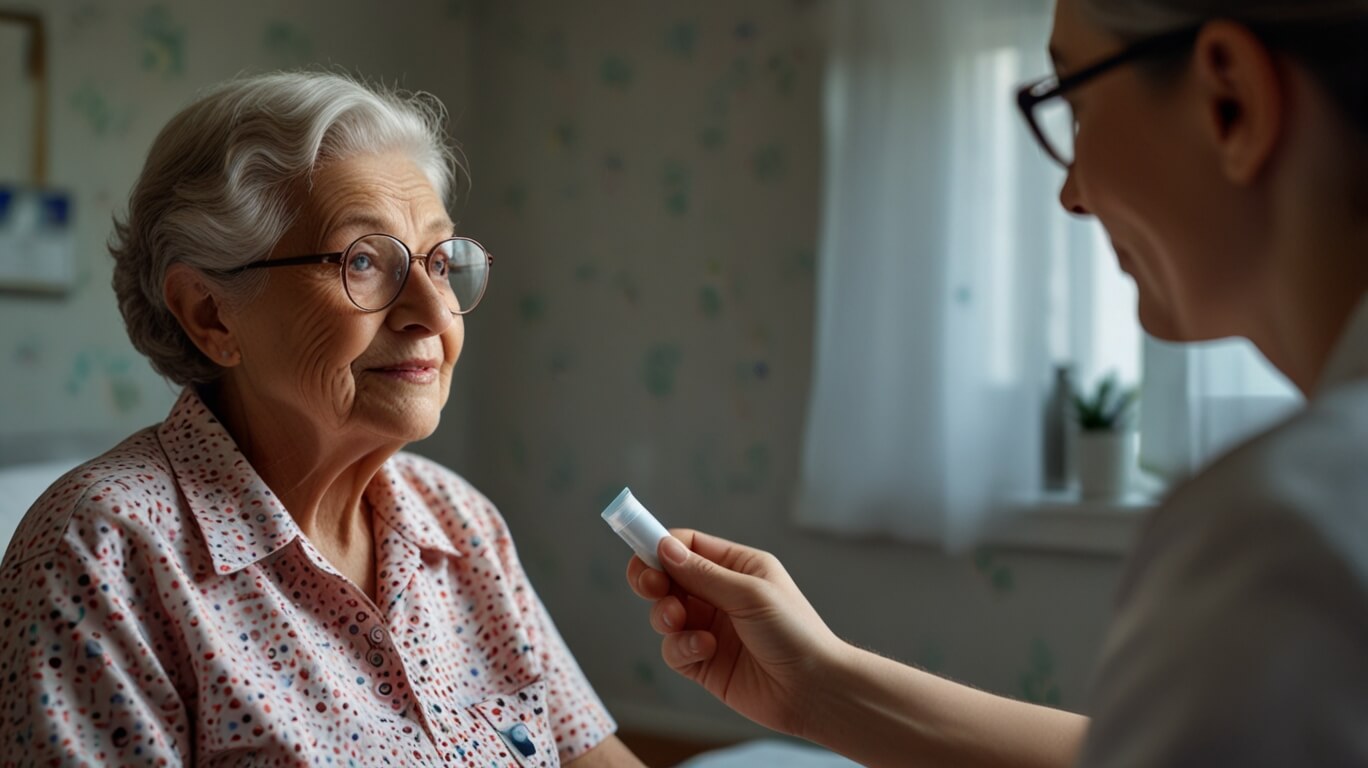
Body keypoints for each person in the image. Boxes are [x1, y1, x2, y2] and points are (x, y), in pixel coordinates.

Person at [628, 0, 1368, 765]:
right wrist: (817, 685)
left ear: (1230, 101)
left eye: (1076, 106)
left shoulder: (1291, 537)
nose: (1071, 194)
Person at [0, 71, 643, 766]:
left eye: (437, 261)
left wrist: (785, 698)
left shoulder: (461, 526)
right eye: (364, 260)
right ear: (210, 314)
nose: (433, 313)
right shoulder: (105, 552)